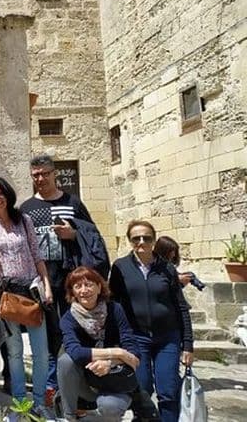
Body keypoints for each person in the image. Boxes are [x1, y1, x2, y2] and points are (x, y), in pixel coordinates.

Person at [20, 154, 104, 405]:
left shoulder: (73, 203)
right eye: (36, 175)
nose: (41, 179)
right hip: (40, 283)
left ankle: (76, 386)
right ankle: (49, 388)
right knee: (47, 336)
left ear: (54, 173)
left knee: (73, 332)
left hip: (72, 282)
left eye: (45, 173)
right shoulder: (26, 208)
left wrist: (74, 233)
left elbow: (92, 236)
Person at [0, 176, 53, 420]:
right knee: (14, 351)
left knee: (41, 351)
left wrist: (47, 286)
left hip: (31, 290)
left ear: (7, 194)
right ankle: (20, 404)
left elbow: (37, 254)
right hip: (4, 294)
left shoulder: (24, 220)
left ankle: (39, 401)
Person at [109, 220, 194, 422]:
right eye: (136, 238)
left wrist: (188, 345)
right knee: (142, 391)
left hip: (168, 338)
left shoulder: (167, 268)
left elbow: (181, 306)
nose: (141, 242)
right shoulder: (121, 267)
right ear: (130, 240)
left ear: (154, 240)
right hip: (137, 338)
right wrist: (115, 340)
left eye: (146, 237)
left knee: (168, 391)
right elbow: (114, 304)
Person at [58, 266, 140, 421]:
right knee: (65, 360)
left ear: (99, 287)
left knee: (110, 407)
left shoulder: (115, 310)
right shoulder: (68, 318)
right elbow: (75, 351)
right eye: (78, 286)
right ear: (72, 292)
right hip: (86, 382)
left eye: (89, 284)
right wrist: (118, 353)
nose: (84, 290)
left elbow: (134, 352)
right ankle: (68, 416)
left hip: (114, 382)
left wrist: (110, 362)